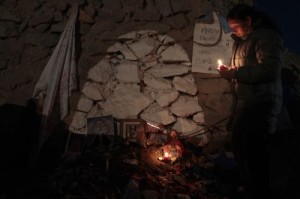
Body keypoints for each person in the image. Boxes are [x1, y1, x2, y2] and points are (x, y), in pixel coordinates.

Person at [217, 4, 288, 198]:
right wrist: (230, 72)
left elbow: (268, 69)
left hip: (261, 103)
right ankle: (250, 188)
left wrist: (235, 73)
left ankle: (260, 191)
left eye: (236, 27)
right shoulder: (242, 41)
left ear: (248, 21)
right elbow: (245, 67)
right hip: (246, 103)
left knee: (254, 151)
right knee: (240, 146)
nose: (234, 32)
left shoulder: (268, 37)